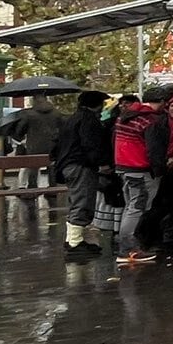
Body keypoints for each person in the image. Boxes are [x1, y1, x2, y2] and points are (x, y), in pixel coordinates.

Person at [54, 90, 112, 261]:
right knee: (83, 200)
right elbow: (90, 144)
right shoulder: (88, 120)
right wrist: (102, 162)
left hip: (67, 165)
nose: (102, 108)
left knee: (75, 201)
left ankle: (72, 239)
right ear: (96, 104)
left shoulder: (72, 119)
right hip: (81, 165)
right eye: (101, 104)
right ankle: (75, 243)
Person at [110, 93, 162, 264]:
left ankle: (127, 246)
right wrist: (158, 169)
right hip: (139, 169)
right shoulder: (148, 121)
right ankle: (128, 249)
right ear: (162, 103)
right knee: (136, 208)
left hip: (123, 167)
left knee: (130, 207)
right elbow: (154, 149)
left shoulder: (123, 118)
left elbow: (113, 141)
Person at [140, 92, 173, 253]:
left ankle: (170, 239)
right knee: (159, 206)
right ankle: (148, 238)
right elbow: (154, 148)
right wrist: (166, 160)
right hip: (163, 169)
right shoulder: (158, 124)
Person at [14, 95, 64, 185]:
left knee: (33, 168)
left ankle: (32, 189)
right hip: (52, 146)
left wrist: (21, 137)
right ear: (46, 99)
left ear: (34, 100)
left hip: (34, 147)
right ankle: (52, 190)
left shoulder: (29, 114)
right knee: (52, 168)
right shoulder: (56, 113)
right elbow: (63, 127)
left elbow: (20, 130)